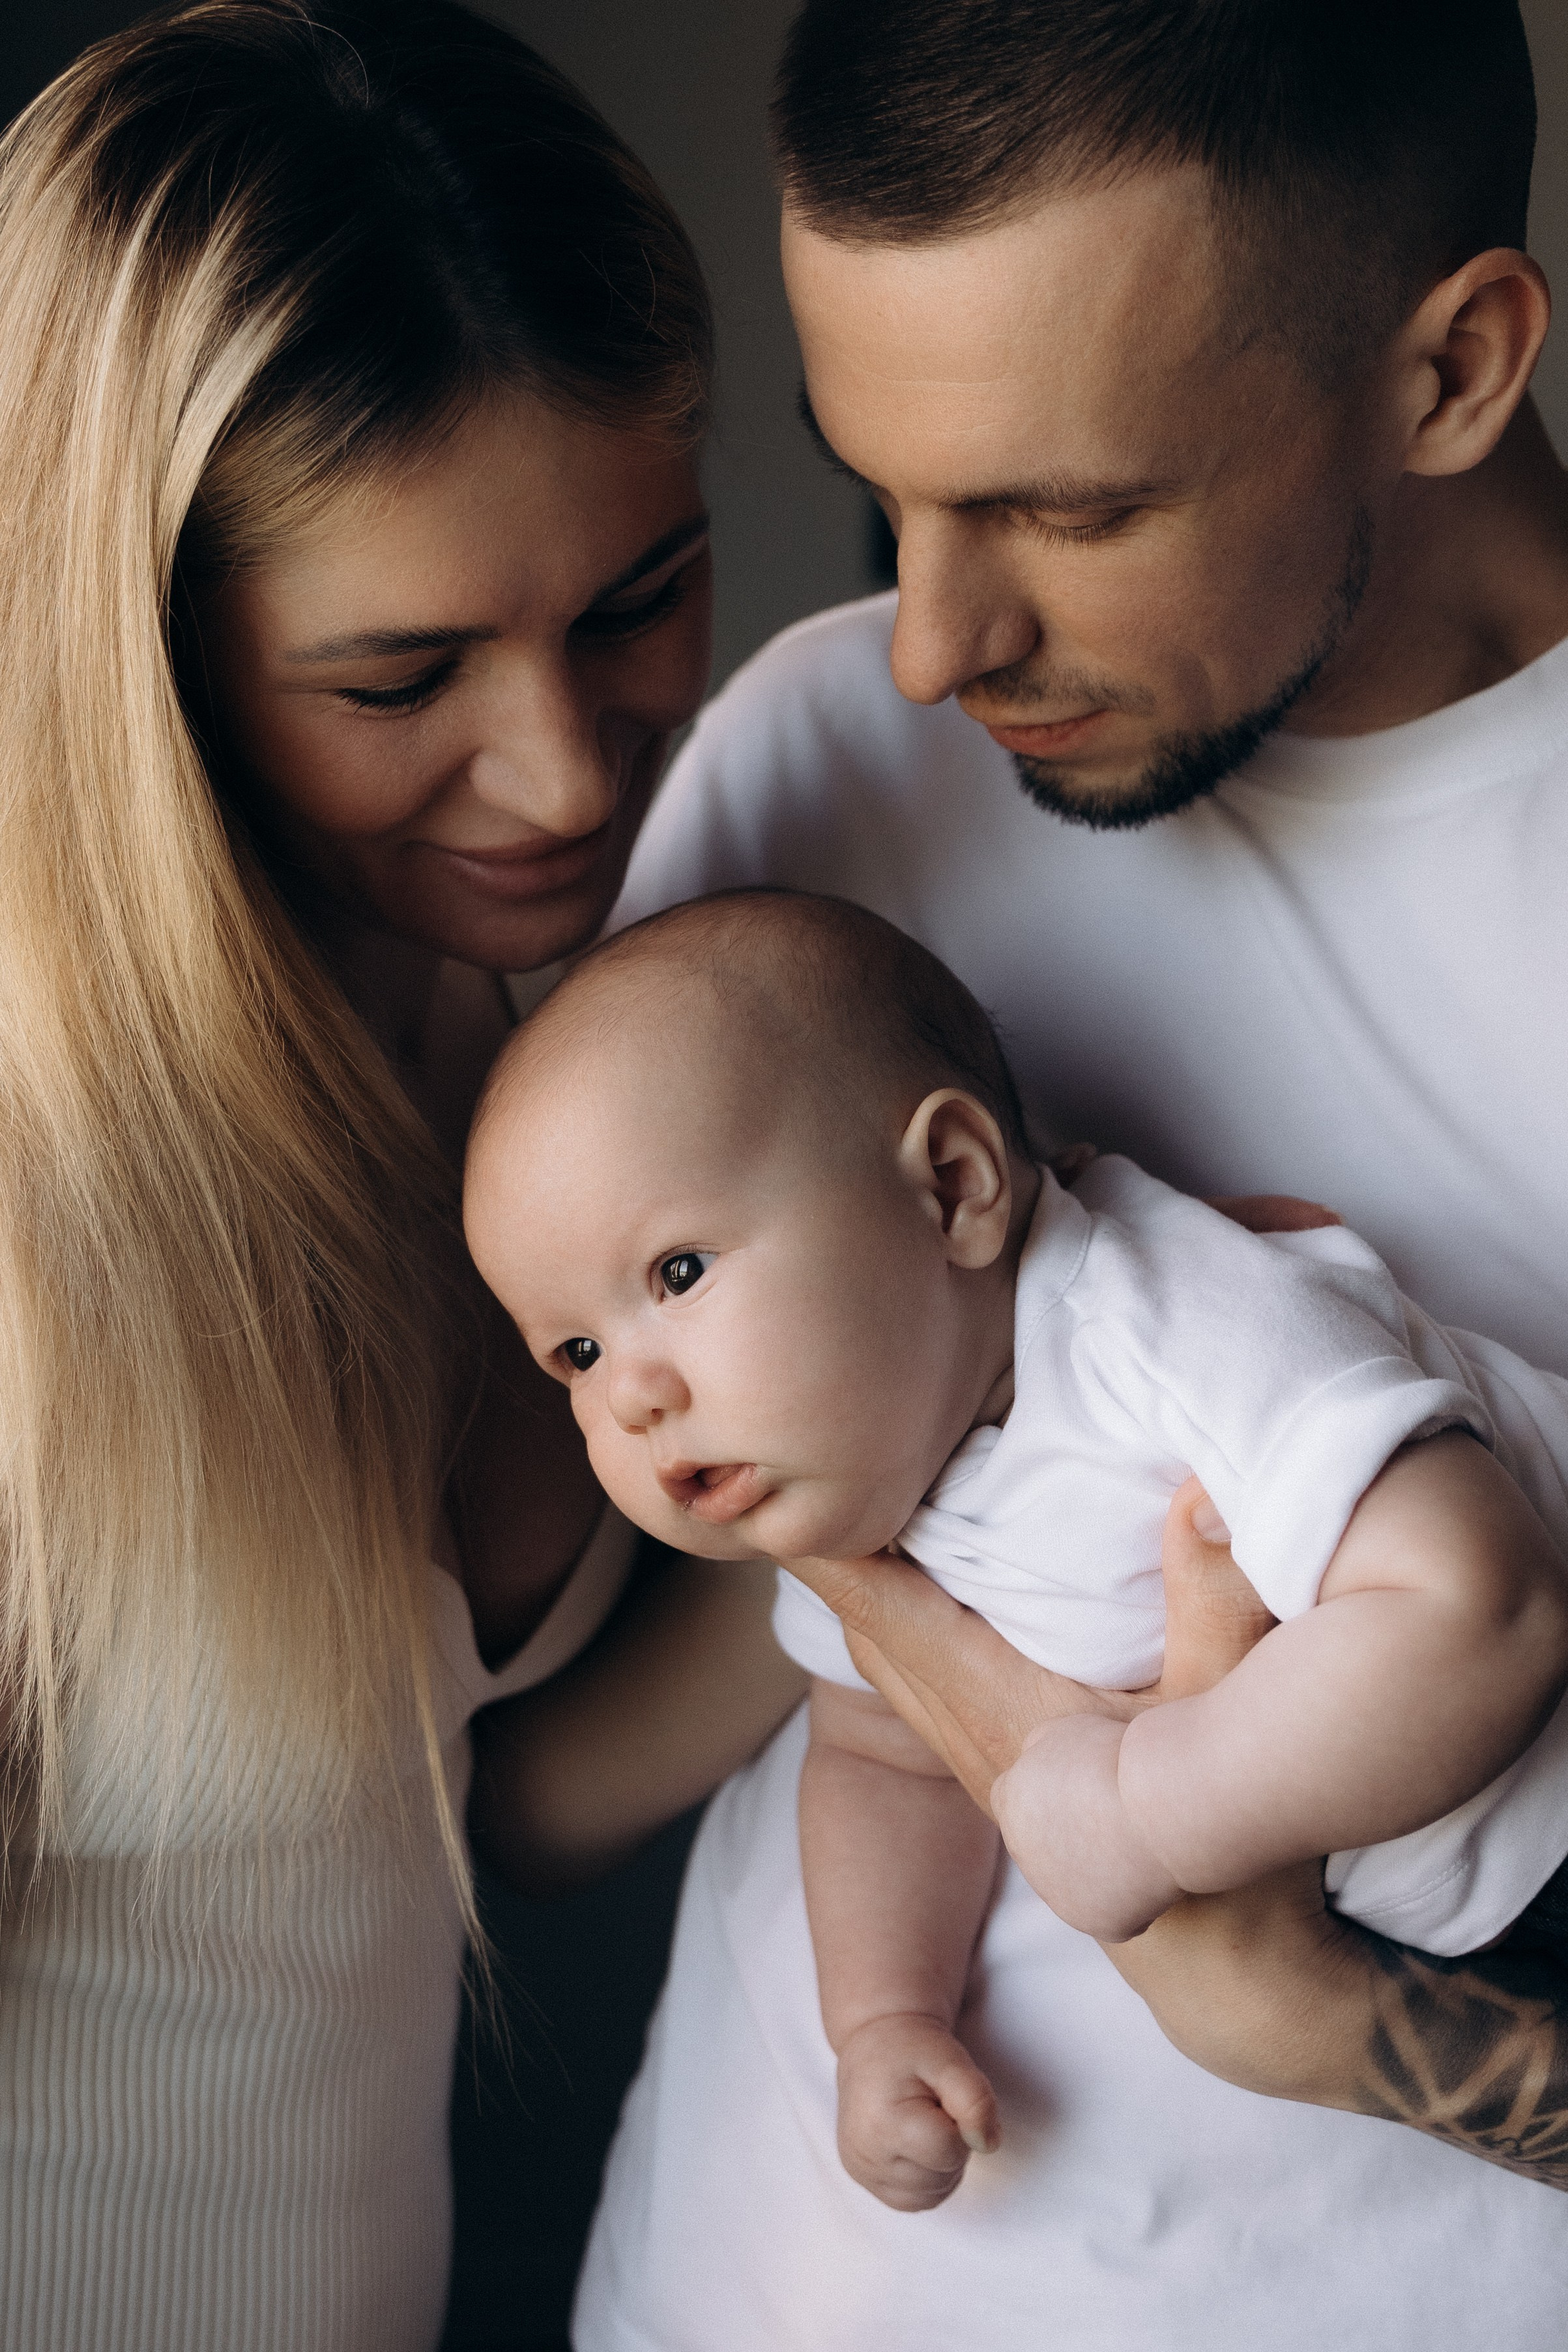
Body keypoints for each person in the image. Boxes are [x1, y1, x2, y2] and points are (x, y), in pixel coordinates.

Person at [574, 3, 1568, 2347]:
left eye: (1067, 508)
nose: (931, 646)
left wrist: (1320, 2024)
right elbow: (674, 1664)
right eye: (884, 493)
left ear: (1449, 369)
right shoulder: (820, 772)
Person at [0, 7, 804, 2347]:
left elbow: (475, 1813)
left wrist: (983, 1420)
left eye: (640, 594)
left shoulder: (549, 1065)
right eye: (399, 678)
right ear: (142, 658)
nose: (563, 773)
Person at [467, 886, 1568, 2218]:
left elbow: (1483, 1607)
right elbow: (882, 1756)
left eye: (680, 1271)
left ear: (953, 1187)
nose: (630, 1396)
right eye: (576, 1352)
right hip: (1473, 1946)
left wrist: (1144, 1807)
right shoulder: (883, 1492)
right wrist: (884, 2015)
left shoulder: (1171, 1321)